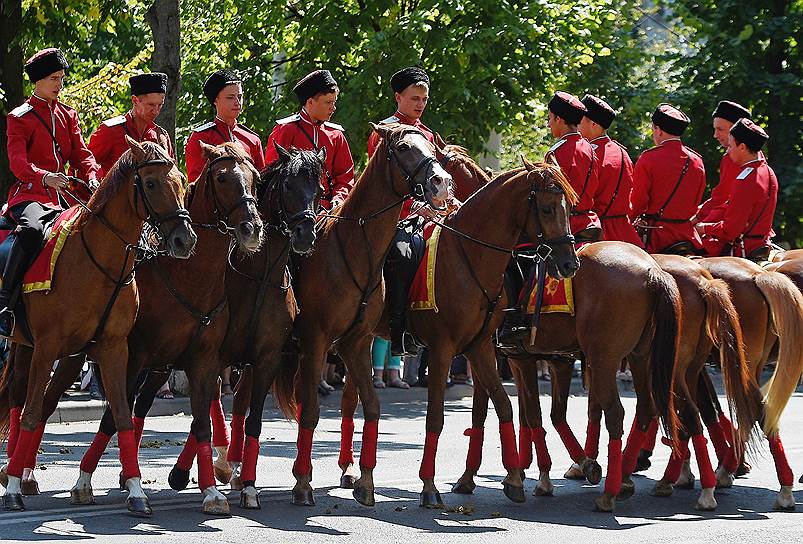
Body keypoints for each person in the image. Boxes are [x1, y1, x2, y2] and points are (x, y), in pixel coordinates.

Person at [1, 48, 99, 337]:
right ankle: (5, 303)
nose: (60, 84)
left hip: (65, 196)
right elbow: (18, 164)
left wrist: (92, 176)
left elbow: (83, 155)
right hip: (29, 194)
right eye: (54, 78)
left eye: (62, 78)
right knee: (31, 231)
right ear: (38, 81)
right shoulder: (20, 117)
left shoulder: (68, 114)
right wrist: (45, 177)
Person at [264, 69, 355, 211]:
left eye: (334, 102)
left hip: (330, 211)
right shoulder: (286, 129)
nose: (333, 107)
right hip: (294, 212)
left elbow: (345, 177)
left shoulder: (336, 135)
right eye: (328, 102)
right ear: (310, 102)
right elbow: (273, 177)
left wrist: (339, 198)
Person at [630, 103, 706, 254]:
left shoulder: (649, 158)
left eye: (653, 129)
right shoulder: (697, 160)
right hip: (687, 235)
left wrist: (630, 219)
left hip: (657, 237)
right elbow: (697, 199)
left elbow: (638, 201)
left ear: (658, 130)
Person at [697, 118, 777, 259]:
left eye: (731, 145)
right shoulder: (768, 171)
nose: (728, 151)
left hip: (742, 248)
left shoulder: (745, 179)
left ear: (742, 147)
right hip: (761, 244)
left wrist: (703, 228)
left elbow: (730, 230)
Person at [579, 94, 642, 247]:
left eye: (579, 121)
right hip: (625, 233)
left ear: (593, 124)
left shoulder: (587, 153)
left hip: (595, 233)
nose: (576, 125)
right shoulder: (622, 153)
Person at [185, 69, 265, 183]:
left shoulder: (252, 139)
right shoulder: (201, 137)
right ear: (215, 100)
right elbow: (196, 184)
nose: (237, 102)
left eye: (240, 97)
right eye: (230, 97)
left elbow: (261, 182)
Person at [88, 72, 173, 180]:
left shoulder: (161, 136)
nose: (156, 111)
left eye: (160, 105)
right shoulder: (111, 130)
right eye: (150, 105)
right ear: (135, 100)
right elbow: (85, 164)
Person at [545, 91, 601, 243]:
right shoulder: (590, 148)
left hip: (565, 224)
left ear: (559, 119)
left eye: (550, 118)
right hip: (589, 221)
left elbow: (547, 197)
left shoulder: (556, 152)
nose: (549, 123)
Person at [695, 100, 753, 224]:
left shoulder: (734, 157)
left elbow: (721, 197)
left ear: (735, 130)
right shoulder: (753, 154)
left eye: (720, 129)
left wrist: (696, 219)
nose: (715, 135)